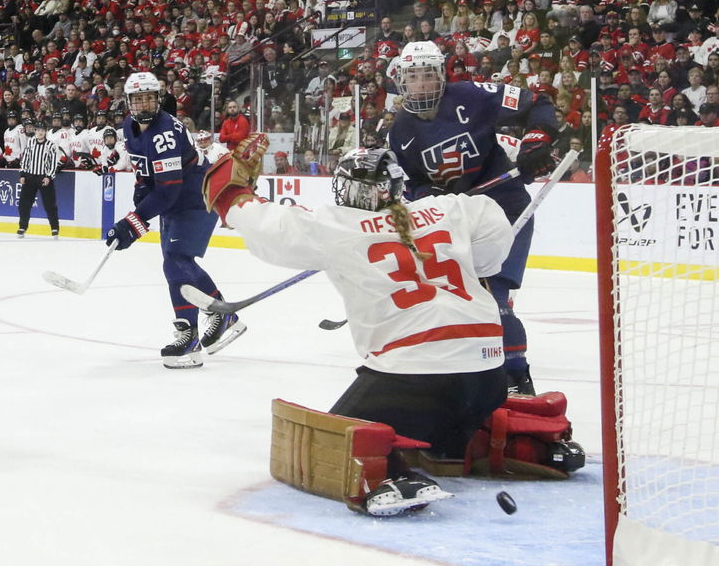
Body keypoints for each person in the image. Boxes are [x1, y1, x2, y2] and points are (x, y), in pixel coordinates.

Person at [202, 139, 513, 515]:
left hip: (416, 381)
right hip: (489, 377)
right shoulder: (450, 209)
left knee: (336, 443)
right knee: (443, 424)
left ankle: (393, 477)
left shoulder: (335, 225)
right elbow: (492, 251)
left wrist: (230, 193)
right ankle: (486, 441)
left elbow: (268, 226)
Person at [386, 41, 557, 396]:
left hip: (505, 208)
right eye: (412, 77)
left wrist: (536, 141)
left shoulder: (472, 95)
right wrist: (424, 195)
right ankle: (470, 378)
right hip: (459, 220)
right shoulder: (399, 132)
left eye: (427, 75)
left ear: (441, 76)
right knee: (457, 303)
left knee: (491, 298)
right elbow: (413, 184)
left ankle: (516, 380)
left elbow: (535, 102)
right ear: (401, 82)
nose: (420, 84)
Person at [106, 72, 244, 368]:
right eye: (138, 98)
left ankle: (189, 335)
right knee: (178, 261)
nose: (144, 104)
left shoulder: (165, 131)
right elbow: (146, 171)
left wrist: (134, 222)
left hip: (195, 194)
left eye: (150, 97)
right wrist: (141, 192)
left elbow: (168, 189)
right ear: (128, 102)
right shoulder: (129, 127)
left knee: (175, 259)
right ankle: (221, 313)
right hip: (177, 199)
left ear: (159, 98)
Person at [17, 119, 61, 238]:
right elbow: (26, 158)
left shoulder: (50, 145)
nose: (40, 132)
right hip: (30, 177)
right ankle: (22, 226)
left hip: (44, 178)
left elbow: (53, 163)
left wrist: (48, 176)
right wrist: (22, 174)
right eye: (38, 130)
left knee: (49, 204)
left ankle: (55, 228)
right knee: (24, 203)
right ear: (35, 131)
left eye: (42, 130)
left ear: (46, 132)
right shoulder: (30, 142)